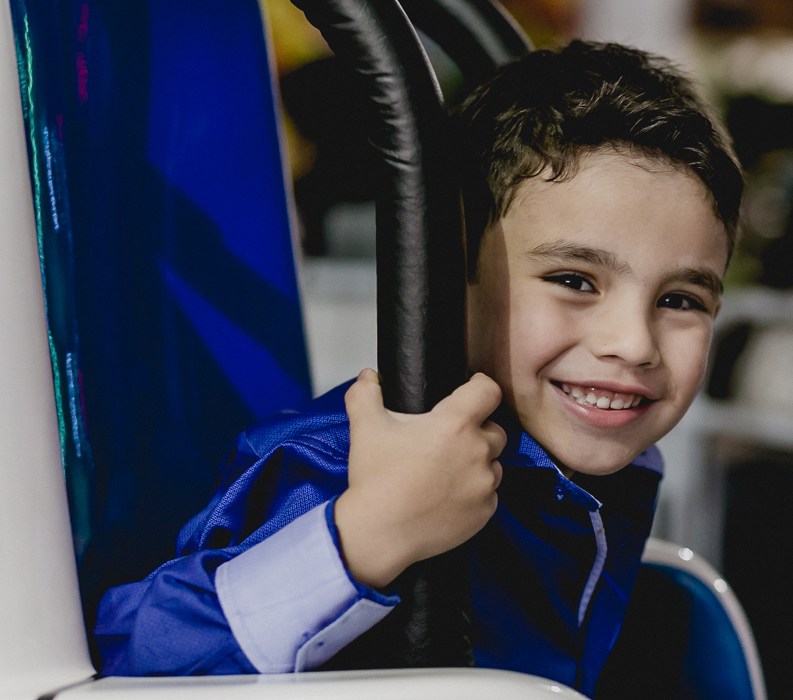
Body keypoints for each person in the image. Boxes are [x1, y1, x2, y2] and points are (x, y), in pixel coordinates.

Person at [94, 40, 744, 696]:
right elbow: (134, 662)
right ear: (448, 276)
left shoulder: (600, 473)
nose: (633, 344)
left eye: (680, 300)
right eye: (574, 280)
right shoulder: (334, 466)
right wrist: (368, 532)